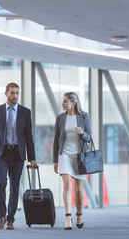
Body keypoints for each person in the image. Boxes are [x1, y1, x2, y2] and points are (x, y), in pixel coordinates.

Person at [0, 82, 37, 230]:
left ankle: (11, 219)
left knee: (14, 187)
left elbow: (29, 137)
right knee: (1, 184)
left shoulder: (26, 112)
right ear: (6, 93)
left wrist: (32, 158)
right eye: (12, 93)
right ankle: (1, 217)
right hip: (2, 153)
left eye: (17, 93)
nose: (15, 96)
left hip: (18, 154)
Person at [53, 92, 91, 230]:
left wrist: (82, 133)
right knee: (67, 184)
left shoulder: (84, 116)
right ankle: (68, 217)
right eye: (63, 101)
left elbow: (89, 137)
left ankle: (79, 214)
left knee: (79, 190)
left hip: (80, 156)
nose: (62, 103)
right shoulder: (60, 118)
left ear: (73, 103)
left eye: (65, 101)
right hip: (64, 154)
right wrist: (55, 160)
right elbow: (56, 140)